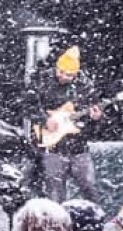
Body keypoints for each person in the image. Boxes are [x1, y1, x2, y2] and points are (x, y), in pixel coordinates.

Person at [26, 46, 103, 202]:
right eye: (60, 72)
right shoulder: (42, 80)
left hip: (78, 145)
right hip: (52, 146)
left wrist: (96, 118)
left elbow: (92, 117)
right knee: (54, 190)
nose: (63, 76)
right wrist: (44, 120)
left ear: (75, 74)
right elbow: (27, 106)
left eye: (68, 75)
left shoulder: (85, 87)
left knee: (89, 186)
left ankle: (93, 219)